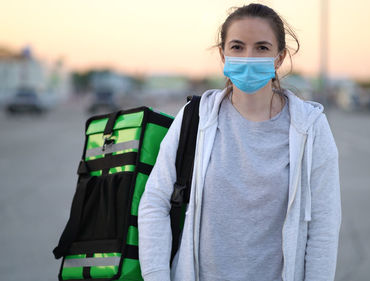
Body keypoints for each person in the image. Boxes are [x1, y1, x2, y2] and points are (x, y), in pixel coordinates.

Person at [138, 3, 341, 281]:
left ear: (279, 58)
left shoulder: (311, 127)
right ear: (223, 55)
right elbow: (154, 202)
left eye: (261, 48)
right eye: (237, 47)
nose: (248, 56)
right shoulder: (195, 117)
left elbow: (323, 227)